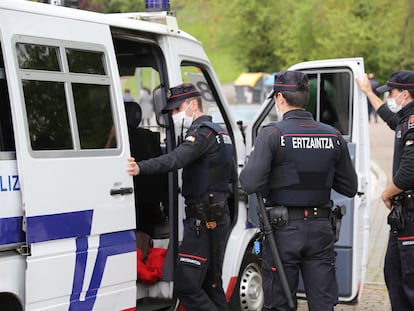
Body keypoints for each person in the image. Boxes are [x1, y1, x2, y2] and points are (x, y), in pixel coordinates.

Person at [240, 70, 358, 311]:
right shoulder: (333, 135)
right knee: (323, 303)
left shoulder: (272, 134)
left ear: (280, 97)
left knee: (279, 302)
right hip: (321, 230)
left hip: (283, 232)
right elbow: (350, 187)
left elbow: (249, 183)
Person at [127, 83, 233, 311]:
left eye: (177, 109)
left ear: (193, 105)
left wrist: (140, 168)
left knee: (186, 285)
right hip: (216, 215)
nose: (174, 115)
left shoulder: (201, 134)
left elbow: (176, 159)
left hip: (203, 221)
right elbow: (232, 176)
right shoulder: (220, 133)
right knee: (211, 284)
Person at [356, 70, 414, 311]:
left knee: (409, 280)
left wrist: (386, 193)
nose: (389, 96)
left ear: (405, 93)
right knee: (393, 272)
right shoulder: (404, 118)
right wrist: (368, 92)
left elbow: (410, 169)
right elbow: (388, 116)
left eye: (391, 92)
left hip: (410, 215)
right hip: (403, 216)